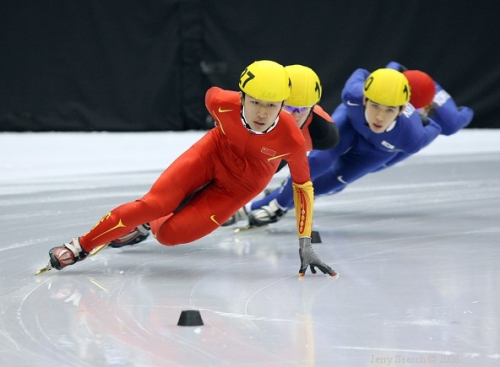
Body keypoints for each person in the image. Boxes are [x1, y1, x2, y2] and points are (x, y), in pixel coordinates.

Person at [43, 60, 337, 277]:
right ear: (242, 97)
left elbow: (303, 187)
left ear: (283, 104)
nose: (262, 113)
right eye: (255, 102)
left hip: (244, 183)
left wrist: (305, 243)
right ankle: (80, 246)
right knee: (154, 204)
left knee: (169, 235)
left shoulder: (292, 140)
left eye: (272, 106)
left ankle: (150, 224)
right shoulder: (220, 102)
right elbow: (214, 96)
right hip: (214, 152)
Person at [238, 67, 449, 227]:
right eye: (375, 105)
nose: (379, 117)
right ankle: (269, 206)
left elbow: (437, 126)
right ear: (364, 99)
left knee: (329, 185)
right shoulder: (352, 95)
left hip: (376, 151)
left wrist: (424, 118)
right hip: (349, 124)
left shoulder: (412, 138)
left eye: (389, 110)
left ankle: (279, 202)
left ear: (402, 110)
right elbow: (362, 72)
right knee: (318, 161)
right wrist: (392, 72)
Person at [222, 64, 340, 226]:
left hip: (285, 150)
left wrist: (282, 201)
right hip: (266, 146)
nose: (295, 116)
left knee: (330, 182)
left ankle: (269, 203)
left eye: (303, 109)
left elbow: (318, 166)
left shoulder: (323, 133)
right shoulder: (250, 112)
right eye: (289, 107)